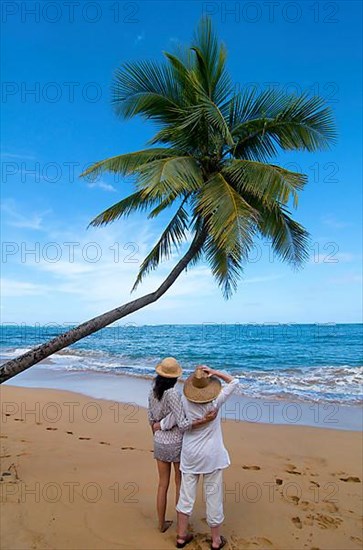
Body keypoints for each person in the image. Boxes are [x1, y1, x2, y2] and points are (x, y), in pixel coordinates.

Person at [155, 365, 238, 549]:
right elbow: (234, 382)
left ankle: (181, 536)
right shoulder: (216, 402)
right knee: (213, 496)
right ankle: (216, 541)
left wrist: (158, 425)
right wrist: (215, 372)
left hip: (190, 454)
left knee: (186, 496)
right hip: (213, 455)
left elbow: (171, 421)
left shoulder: (184, 400)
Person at [148, 357, 217, 533]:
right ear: (174, 377)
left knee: (162, 484)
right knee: (179, 483)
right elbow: (183, 424)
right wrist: (204, 420)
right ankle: (181, 526)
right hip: (176, 443)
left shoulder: (152, 392)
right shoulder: (173, 394)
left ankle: (161, 524)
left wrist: (156, 437)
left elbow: (151, 420)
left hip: (160, 442)